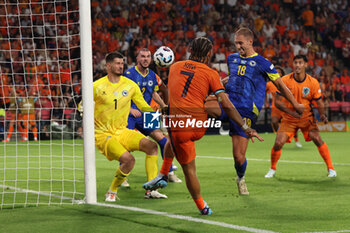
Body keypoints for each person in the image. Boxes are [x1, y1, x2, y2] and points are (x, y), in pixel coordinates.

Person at [143, 37, 263, 215]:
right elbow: (227, 104)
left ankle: (177, 186)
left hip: (177, 125)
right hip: (198, 126)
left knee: (183, 158)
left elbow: (183, 88)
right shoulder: (211, 73)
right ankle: (175, 184)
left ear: (191, 50)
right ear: (209, 54)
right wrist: (245, 127)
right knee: (185, 162)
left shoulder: (175, 67)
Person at [204, 27, 304, 196]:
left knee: (238, 157)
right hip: (228, 102)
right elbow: (234, 77)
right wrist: (217, 85)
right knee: (204, 104)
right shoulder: (232, 59)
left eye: (240, 43)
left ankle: (240, 178)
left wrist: (295, 103)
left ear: (250, 41)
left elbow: (280, 85)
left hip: (246, 111)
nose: (238, 47)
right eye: (236, 43)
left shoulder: (263, 63)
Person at [93, 52, 164, 202]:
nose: (120, 66)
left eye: (122, 63)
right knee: (129, 160)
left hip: (122, 131)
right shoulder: (96, 86)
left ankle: (151, 190)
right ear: (108, 65)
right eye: (117, 63)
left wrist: (158, 113)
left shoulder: (130, 85)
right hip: (103, 134)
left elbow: (143, 105)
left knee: (152, 147)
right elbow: (82, 107)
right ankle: (111, 191)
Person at [264, 55, 337, 178]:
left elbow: (319, 102)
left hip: (307, 118)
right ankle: (272, 169)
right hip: (289, 119)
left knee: (317, 139)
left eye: (300, 62)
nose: (297, 65)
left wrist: (323, 114)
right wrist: (292, 113)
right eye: (295, 62)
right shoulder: (285, 80)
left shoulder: (312, 82)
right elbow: (277, 102)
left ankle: (331, 169)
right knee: (278, 143)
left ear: (305, 65)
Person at [123, 48, 182, 190]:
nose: (145, 59)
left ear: (151, 59)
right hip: (130, 114)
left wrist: (164, 106)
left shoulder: (152, 75)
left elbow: (154, 93)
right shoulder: (129, 74)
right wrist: (129, 109)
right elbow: (121, 93)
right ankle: (123, 177)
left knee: (164, 141)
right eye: (142, 56)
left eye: (148, 56)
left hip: (147, 114)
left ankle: (168, 172)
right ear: (137, 58)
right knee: (126, 145)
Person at [265, 65, 302, 148]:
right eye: (276, 72)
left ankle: (297, 141)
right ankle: (280, 136)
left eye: (279, 72)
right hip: (275, 107)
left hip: (286, 107)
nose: (278, 73)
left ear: (282, 73)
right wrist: (266, 102)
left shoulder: (286, 82)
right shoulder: (269, 84)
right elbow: (263, 92)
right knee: (274, 122)